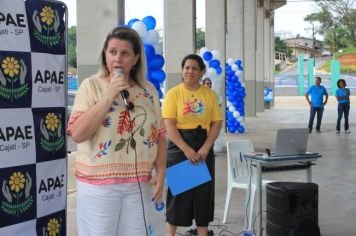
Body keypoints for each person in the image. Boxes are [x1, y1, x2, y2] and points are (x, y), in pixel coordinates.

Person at [67, 27, 166, 236]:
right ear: (105, 54)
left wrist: (162, 172)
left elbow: (160, 134)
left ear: (136, 58)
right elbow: (78, 134)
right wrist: (109, 95)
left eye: (125, 53)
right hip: (99, 187)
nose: (118, 58)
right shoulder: (90, 86)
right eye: (112, 52)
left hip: (139, 184)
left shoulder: (148, 90)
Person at [162, 54, 223, 236]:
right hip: (180, 148)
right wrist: (187, 150)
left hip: (203, 147)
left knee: (203, 196)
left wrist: (205, 148)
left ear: (202, 72)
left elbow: (216, 123)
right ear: (182, 71)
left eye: (194, 68)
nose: (190, 71)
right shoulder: (173, 93)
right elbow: (169, 125)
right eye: (187, 67)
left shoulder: (209, 94)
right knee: (178, 196)